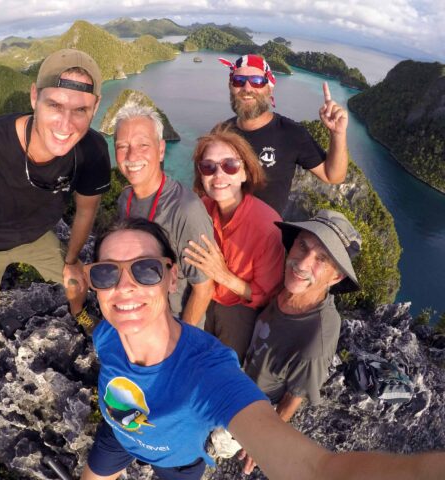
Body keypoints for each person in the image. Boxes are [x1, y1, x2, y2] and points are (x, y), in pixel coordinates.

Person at [79, 217, 445, 480]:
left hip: (176, 463)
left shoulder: (208, 373)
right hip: (118, 430)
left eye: (145, 270)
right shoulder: (107, 335)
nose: (124, 287)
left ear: (173, 276)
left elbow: (315, 468)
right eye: (106, 273)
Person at [0, 49, 111, 385]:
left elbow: (86, 209)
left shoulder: (91, 150)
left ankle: (78, 313)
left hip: (36, 235)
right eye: (55, 105)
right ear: (34, 96)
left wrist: (73, 259)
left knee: (75, 281)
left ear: (95, 107)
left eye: (80, 110)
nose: (66, 124)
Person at [244, 209, 361, 422]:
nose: (302, 263)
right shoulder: (287, 283)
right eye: (302, 245)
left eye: (322, 259)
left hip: (251, 404)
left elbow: (294, 396)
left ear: (336, 276)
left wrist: (267, 435)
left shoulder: (316, 338)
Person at [183, 125, 285, 363]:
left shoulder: (267, 227)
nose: (218, 175)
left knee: (224, 365)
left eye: (230, 166)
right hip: (202, 292)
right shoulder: (201, 209)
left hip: (240, 306)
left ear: (245, 173)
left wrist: (223, 275)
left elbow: (266, 295)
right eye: (208, 167)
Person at [114, 105, 214, 326]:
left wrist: (180, 344)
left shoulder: (185, 210)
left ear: (160, 150)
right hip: (137, 313)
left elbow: (204, 288)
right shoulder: (125, 199)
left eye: (143, 145)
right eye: (122, 146)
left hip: (173, 323)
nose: (132, 155)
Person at [219, 54, 349, 215]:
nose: (247, 88)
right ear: (230, 85)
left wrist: (338, 133)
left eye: (257, 82)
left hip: (265, 236)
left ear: (269, 87)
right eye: (239, 80)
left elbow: (333, 176)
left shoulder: (291, 133)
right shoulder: (221, 132)